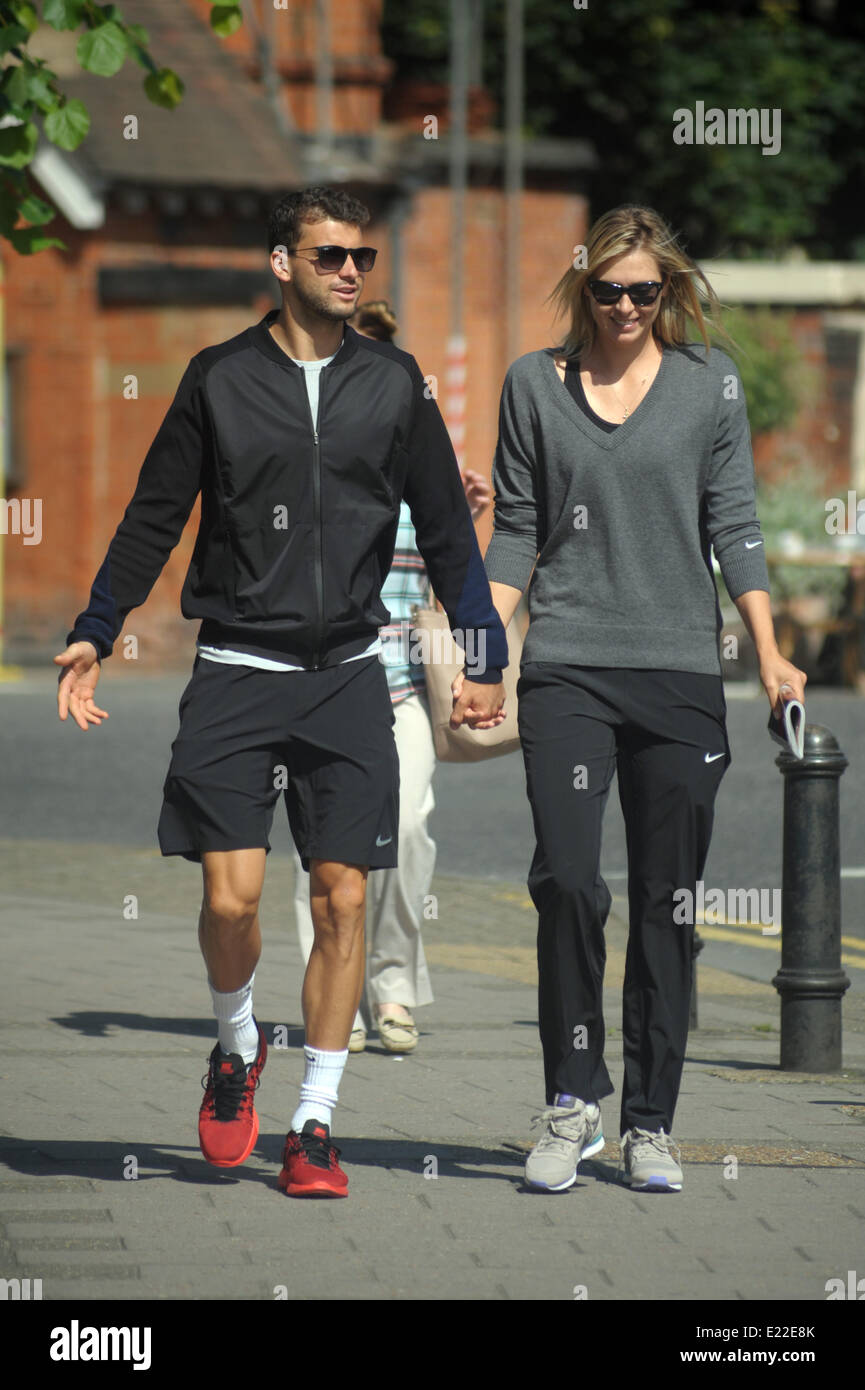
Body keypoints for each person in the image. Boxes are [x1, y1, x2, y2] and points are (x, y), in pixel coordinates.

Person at [55, 186, 506, 1200]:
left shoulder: (394, 384)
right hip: (237, 673)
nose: (350, 271)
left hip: (348, 676)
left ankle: (313, 1122)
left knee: (344, 896)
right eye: (330, 255)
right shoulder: (218, 379)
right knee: (232, 899)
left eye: (362, 257)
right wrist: (95, 629)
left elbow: (443, 526)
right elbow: (152, 515)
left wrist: (482, 655)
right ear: (281, 263)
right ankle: (234, 1044)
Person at [479, 203, 806, 1193]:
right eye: (608, 290)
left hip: (677, 675)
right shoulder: (533, 385)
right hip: (567, 666)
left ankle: (649, 1123)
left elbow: (735, 523)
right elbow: (515, 532)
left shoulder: (709, 386)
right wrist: (485, 649)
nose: (625, 307)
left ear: (669, 291)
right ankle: (572, 1102)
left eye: (644, 291)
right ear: (584, 288)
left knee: (665, 905)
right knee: (569, 884)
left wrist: (773, 652)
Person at [291, 299, 492, 1054]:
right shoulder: (303, 461)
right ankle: (329, 992)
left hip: (397, 685)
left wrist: (462, 519)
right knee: (322, 852)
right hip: (312, 684)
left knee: (405, 831)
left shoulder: (416, 461)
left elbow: (445, 573)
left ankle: (394, 991)